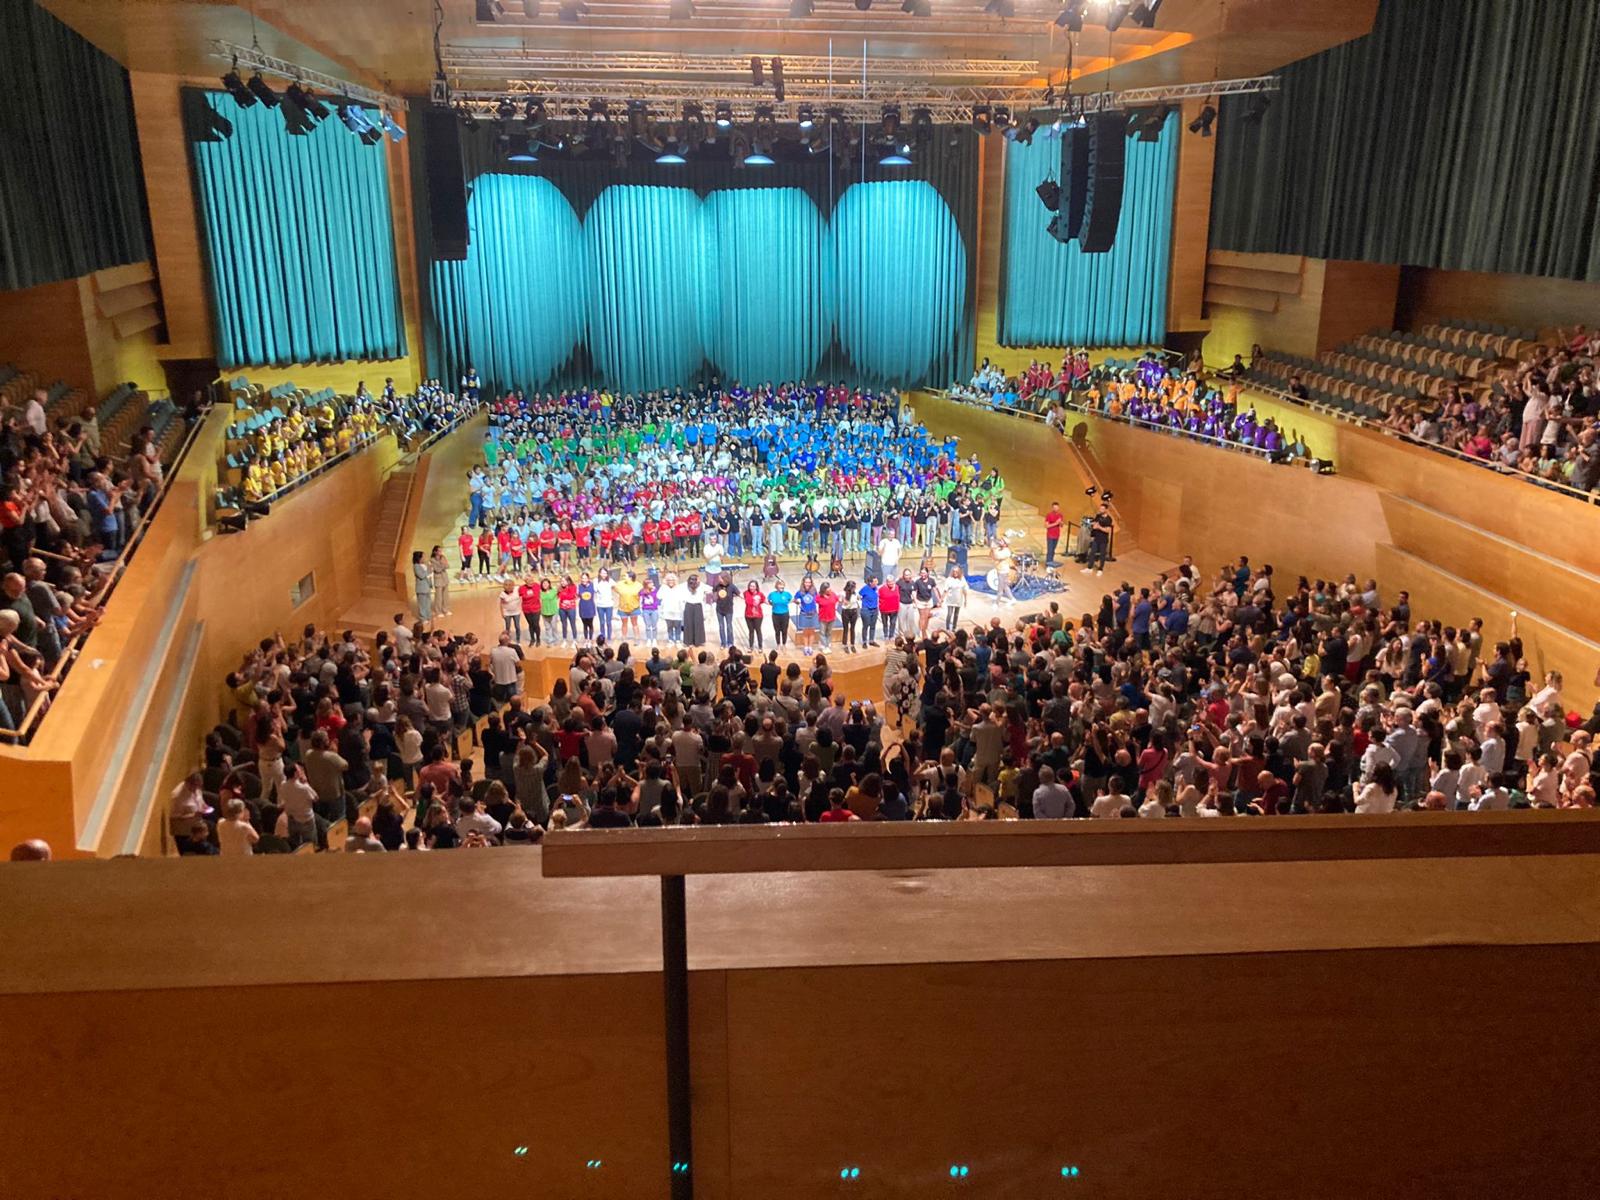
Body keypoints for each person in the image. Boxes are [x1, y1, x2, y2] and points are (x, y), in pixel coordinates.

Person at [412, 551, 432, 622]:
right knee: (422, 605)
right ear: (419, 558)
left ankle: (429, 616)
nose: (425, 558)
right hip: (421, 588)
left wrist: (430, 584)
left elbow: (429, 574)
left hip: (427, 587)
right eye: (423, 556)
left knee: (428, 603)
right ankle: (423, 618)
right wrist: (427, 569)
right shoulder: (416, 566)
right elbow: (421, 575)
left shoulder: (425, 565)